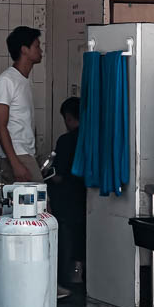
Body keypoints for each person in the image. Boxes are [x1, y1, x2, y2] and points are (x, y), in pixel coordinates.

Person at [0, 26, 44, 183]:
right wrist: (15, 164)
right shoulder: (6, 81)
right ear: (24, 50)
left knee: (33, 205)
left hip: (25, 154)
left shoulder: (24, 80)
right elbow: (0, 125)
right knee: (41, 205)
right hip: (16, 156)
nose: (41, 50)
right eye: (37, 46)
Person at [49, 97, 86, 286]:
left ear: (69, 118)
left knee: (67, 232)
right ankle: (81, 271)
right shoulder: (93, 137)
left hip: (68, 200)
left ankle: (69, 274)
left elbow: (58, 175)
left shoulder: (66, 140)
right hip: (87, 197)